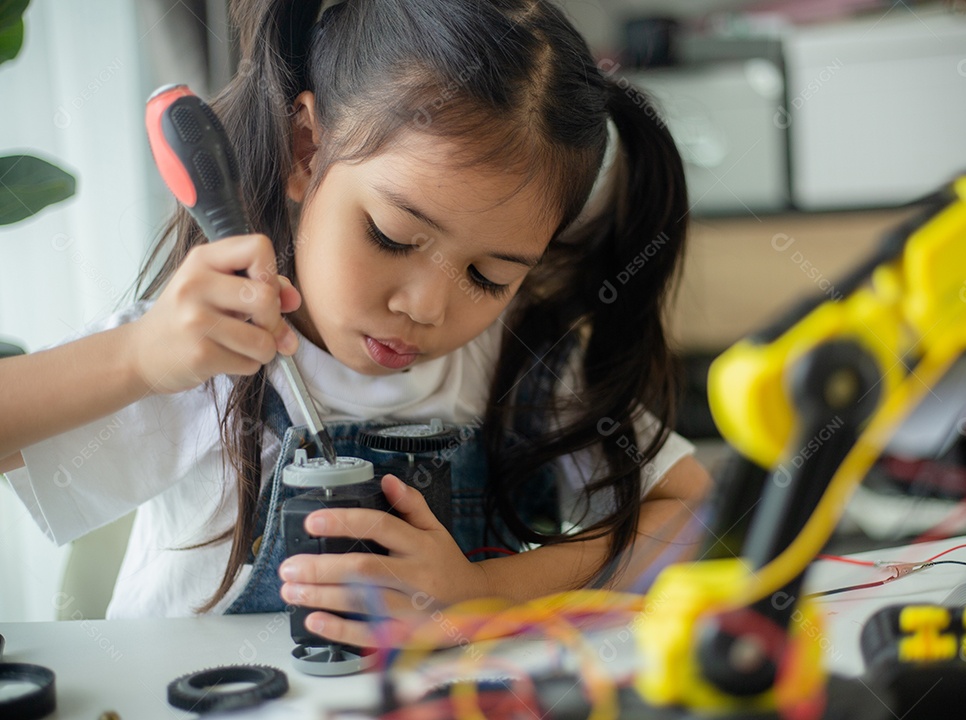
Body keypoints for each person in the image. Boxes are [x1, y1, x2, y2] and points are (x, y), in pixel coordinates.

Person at [0, 0, 710, 648]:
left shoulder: (516, 364)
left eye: (489, 277)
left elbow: (688, 512)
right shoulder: (199, 351)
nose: (427, 307)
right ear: (307, 151)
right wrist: (135, 360)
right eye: (394, 236)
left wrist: (484, 595)